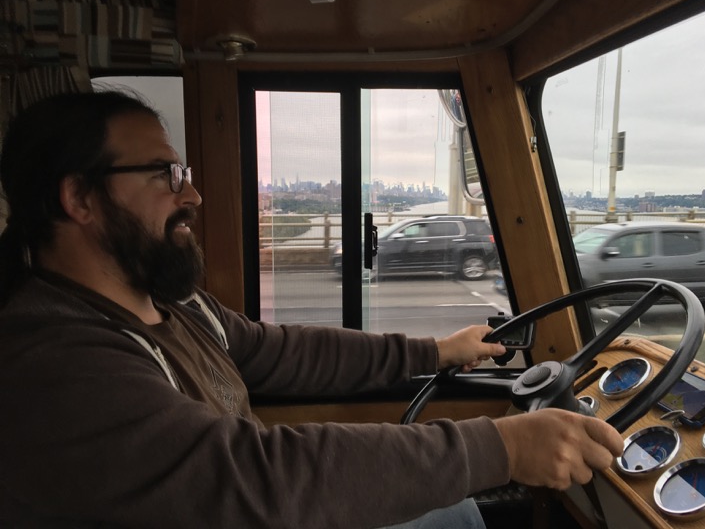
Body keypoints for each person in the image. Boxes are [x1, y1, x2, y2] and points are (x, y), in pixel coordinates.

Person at [0, 91, 623, 528]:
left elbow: (280, 353)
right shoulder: (54, 360)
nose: (191, 193)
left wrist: (434, 352)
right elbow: (249, 477)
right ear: (79, 198)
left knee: (449, 511)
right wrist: (498, 450)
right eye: (164, 174)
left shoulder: (172, 304)